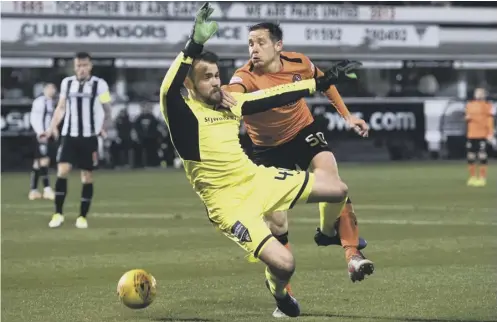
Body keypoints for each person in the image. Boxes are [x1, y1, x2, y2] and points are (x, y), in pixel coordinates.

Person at [159, 3, 367, 317]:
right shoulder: (182, 113)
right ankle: (280, 292)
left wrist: (319, 83)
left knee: (337, 189)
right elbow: (166, 89)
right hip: (228, 203)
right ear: (190, 84)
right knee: (285, 264)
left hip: (257, 178)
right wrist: (193, 45)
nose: (216, 82)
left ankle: (330, 235)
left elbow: (270, 96)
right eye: (206, 78)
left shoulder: (230, 103)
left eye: (217, 76)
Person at [222, 22, 373, 293]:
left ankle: (351, 254)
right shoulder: (243, 77)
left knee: (332, 179)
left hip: (303, 131)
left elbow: (325, 84)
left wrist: (348, 116)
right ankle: (284, 291)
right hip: (267, 149)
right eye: (250, 43)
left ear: (278, 46)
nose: (254, 49)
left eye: (260, 42)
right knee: (277, 222)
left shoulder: (299, 62)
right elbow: (231, 98)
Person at [40, 52, 112, 229]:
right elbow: (61, 107)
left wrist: (104, 127)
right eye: (78, 66)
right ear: (75, 67)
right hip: (69, 135)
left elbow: (108, 109)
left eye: (84, 65)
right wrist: (52, 127)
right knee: (62, 170)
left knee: (87, 176)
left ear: (90, 66)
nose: (81, 69)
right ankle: (58, 213)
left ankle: (82, 216)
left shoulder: (100, 85)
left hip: (89, 137)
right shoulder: (67, 83)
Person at [28, 83, 57, 201]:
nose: (52, 90)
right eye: (49, 88)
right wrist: (40, 133)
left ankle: (33, 190)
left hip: (47, 134)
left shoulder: (51, 102)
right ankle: (47, 189)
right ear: (44, 89)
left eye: (53, 88)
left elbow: (51, 119)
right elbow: (34, 119)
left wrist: (53, 130)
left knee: (37, 163)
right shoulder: (40, 102)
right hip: (41, 135)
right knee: (44, 161)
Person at [465, 87, 495, 187]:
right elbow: (467, 117)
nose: (478, 94)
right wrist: (467, 118)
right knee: (471, 155)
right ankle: (472, 177)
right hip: (472, 134)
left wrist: (490, 133)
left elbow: (490, 120)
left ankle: (482, 178)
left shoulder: (487, 106)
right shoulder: (469, 105)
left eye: (480, 93)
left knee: (482, 155)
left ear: (484, 95)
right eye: (476, 92)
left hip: (482, 134)